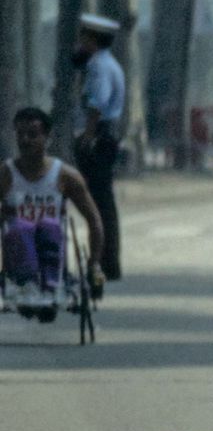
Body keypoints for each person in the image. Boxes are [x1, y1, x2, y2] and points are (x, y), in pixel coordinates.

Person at [3, 107, 106, 322]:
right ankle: (27, 287)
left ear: (46, 137)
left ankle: (50, 288)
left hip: (52, 248)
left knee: (49, 226)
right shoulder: (6, 175)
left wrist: (93, 265)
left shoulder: (66, 176)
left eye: (32, 135)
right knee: (22, 227)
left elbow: (94, 219)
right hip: (17, 254)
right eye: (20, 135)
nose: (25, 140)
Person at [71, 16, 124, 281]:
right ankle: (108, 262)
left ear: (92, 39)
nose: (79, 42)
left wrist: (87, 137)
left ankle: (104, 262)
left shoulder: (98, 66)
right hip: (107, 134)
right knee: (104, 201)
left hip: (99, 136)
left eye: (83, 37)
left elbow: (97, 103)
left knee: (98, 202)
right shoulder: (108, 63)